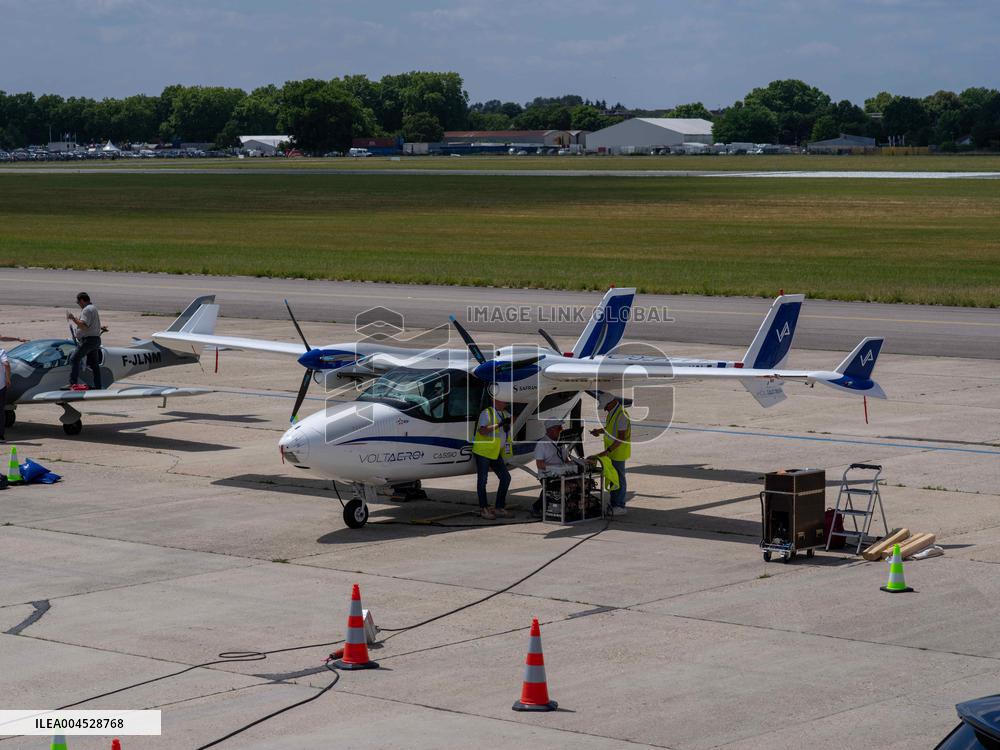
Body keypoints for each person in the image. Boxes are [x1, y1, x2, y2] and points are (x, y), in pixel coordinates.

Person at [590, 392, 631, 513]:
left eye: (605, 406)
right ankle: (615, 504)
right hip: (612, 451)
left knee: (619, 479)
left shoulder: (621, 415)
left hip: (618, 452)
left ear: (611, 402)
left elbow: (621, 438)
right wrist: (599, 431)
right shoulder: (613, 412)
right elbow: (610, 429)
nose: (604, 409)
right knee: (614, 478)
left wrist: (607, 451)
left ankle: (620, 505)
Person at [472, 398, 512, 519]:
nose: (506, 403)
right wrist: (499, 424)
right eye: (504, 400)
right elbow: (482, 431)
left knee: (506, 478)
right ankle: (483, 509)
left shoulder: (505, 413)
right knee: (483, 480)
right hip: (483, 451)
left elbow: (513, 419)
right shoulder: (486, 413)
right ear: (495, 401)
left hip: (494, 452)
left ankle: (499, 507)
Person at [533, 419, 582, 517]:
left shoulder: (561, 442)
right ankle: (537, 507)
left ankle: (574, 506)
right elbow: (540, 464)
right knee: (556, 487)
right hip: (548, 475)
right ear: (551, 429)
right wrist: (555, 468)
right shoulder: (542, 444)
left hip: (561, 473)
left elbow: (565, 459)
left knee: (579, 483)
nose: (561, 430)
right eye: (559, 428)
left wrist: (573, 464)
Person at [66, 292, 104, 390]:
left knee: (74, 359)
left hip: (88, 341)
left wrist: (73, 318)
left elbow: (84, 325)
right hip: (95, 340)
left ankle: (73, 384)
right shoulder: (93, 308)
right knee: (94, 364)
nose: (78, 304)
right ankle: (98, 385)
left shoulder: (87, 310)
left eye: (78, 302)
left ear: (82, 300)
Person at [0, 345, 9, 442]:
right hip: (1, 386)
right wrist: (8, 378)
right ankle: (0, 436)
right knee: (0, 412)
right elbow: (6, 364)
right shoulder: (1, 351)